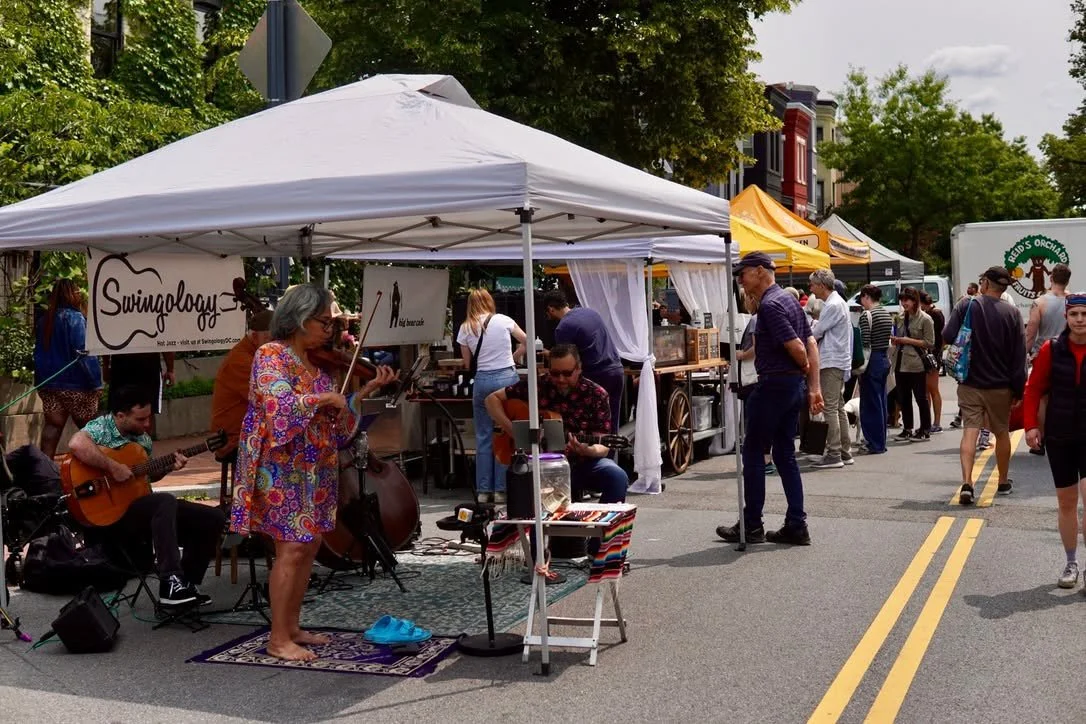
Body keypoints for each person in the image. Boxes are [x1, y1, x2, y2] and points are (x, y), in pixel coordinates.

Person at [230, 284, 396, 661]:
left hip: (314, 467)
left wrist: (364, 389)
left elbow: (338, 425)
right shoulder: (271, 354)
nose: (330, 330)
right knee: (290, 547)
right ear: (300, 319)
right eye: (324, 322)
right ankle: (277, 639)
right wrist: (323, 398)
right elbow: (279, 406)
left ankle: (291, 626)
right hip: (282, 467)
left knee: (310, 544)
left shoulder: (315, 365)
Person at [66, 385, 225, 606]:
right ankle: (170, 580)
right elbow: (76, 443)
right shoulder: (102, 427)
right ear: (120, 416)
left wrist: (169, 466)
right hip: (115, 516)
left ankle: (185, 585)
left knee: (213, 518)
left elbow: (146, 478)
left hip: (142, 508)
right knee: (165, 501)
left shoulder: (143, 440)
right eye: (141, 419)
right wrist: (112, 467)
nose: (147, 424)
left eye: (148, 418)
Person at [717, 252, 823, 546]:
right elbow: (811, 342)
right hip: (789, 386)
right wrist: (812, 385)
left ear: (761, 271)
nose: (740, 279)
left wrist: (803, 368)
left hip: (775, 384)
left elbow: (801, 348)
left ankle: (752, 525)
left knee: (753, 453)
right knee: (784, 454)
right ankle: (796, 524)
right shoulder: (787, 300)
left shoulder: (771, 305)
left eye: (744, 273)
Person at [485, 344, 628, 506]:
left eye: (567, 374)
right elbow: (491, 399)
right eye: (555, 373)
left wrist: (587, 450)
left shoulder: (596, 395)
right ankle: (535, 530)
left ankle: (600, 526)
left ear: (579, 368)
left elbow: (603, 446)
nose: (560, 379)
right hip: (542, 466)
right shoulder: (537, 386)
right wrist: (513, 431)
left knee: (616, 477)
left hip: (582, 464)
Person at [942, 267, 1027, 505]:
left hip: (969, 381)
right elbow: (1019, 356)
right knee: (1001, 432)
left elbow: (948, 336)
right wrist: (1018, 389)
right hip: (1000, 386)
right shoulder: (1012, 314)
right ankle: (1003, 481)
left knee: (970, 431)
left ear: (986, 283)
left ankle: (967, 483)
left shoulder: (967, 305)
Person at [1024, 293, 1086, 588]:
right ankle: (1071, 562)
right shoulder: (1052, 348)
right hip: (1060, 435)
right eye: (1074, 314)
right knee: (1066, 503)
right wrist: (1031, 427)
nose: (1080, 320)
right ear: (1066, 317)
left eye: (1084, 314)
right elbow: (1033, 389)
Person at [457, 288, 528, 504]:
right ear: (489, 302)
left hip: (483, 380)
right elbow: (528, 341)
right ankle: (501, 490)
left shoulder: (465, 328)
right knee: (505, 435)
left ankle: (483, 490)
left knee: (483, 436)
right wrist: (514, 355)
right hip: (507, 378)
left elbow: (468, 364)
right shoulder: (504, 320)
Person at [33, 280, 103, 458]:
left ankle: (43, 472)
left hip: (49, 385)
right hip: (77, 385)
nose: (80, 294)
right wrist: (96, 382)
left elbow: (38, 353)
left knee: (52, 427)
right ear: (70, 294)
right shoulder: (75, 318)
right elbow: (83, 351)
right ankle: (101, 471)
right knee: (93, 432)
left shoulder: (44, 320)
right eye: (77, 291)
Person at [544, 290, 625, 435]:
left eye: (547, 313)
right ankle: (611, 457)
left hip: (595, 375)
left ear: (550, 309)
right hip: (616, 370)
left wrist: (549, 355)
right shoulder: (590, 312)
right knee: (611, 424)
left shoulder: (563, 328)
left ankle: (594, 456)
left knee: (591, 425)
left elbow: (565, 361)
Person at [210, 310, 273, 462]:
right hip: (233, 438)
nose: (276, 345)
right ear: (255, 336)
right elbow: (265, 399)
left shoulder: (253, 354)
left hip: (249, 431)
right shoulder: (241, 361)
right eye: (270, 339)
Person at [807, 269, 853, 468]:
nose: (811, 288)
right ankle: (844, 450)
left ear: (822, 286)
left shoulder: (832, 305)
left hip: (831, 360)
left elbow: (816, 332)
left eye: (813, 284)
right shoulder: (837, 302)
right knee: (838, 406)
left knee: (830, 407)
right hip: (838, 360)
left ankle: (834, 452)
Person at [891, 288, 935, 442]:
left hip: (916, 364)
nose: (904, 303)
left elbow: (930, 343)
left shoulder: (925, 319)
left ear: (915, 301)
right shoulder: (900, 317)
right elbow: (897, 335)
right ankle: (907, 428)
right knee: (904, 397)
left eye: (907, 300)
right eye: (902, 300)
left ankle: (925, 429)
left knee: (920, 398)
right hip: (900, 361)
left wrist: (907, 340)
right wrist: (895, 339)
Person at [105, 352, 175, 438]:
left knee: (146, 409)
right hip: (131, 364)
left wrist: (106, 366)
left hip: (135, 364)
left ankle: (143, 448)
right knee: (121, 409)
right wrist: (170, 369)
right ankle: (123, 448)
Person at [857, 284, 893, 454]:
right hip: (884, 358)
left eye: (862, 299)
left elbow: (864, 342)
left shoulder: (867, 315)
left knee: (870, 403)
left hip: (871, 361)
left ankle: (874, 442)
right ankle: (881, 440)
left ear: (866, 296)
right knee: (881, 402)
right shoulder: (886, 314)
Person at [1026, 263, 1070, 358]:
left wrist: (1021, 355)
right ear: (1067, 282)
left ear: (1051, 278)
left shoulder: (1039, 303)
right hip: (1066, 354)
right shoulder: (1072, 302)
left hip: (1042, 353)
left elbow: (1030, 334)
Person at [920, 292, 945, 431]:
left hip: (933, 356)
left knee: (933, 389)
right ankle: (928, 422)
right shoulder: (929, 314)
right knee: (926, 391)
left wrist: (937, 355)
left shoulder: (935, 314)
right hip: (928, 355)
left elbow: (939, 338)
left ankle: (937, 422)